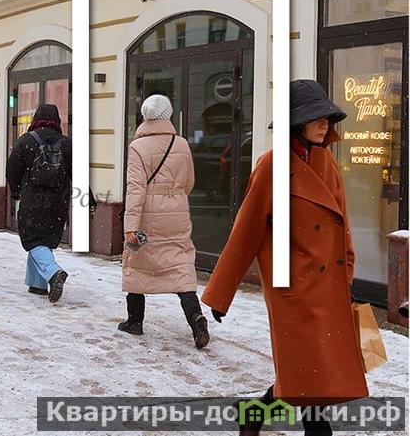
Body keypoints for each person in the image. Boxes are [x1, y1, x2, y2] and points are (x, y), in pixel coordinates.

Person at [202, 80, 367, 435]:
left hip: (327, 288)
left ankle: (254, 412)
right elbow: (245, 233)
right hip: (292, 289)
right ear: (296, 122)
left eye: (327, 117)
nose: (324, 123)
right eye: (315, 117)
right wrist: (220, 294)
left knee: (310, 374)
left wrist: (347, 278)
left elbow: (342, 227)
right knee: (310, 374)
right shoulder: (271, 166)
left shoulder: (327, 162)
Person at [118, 94, 210, 349]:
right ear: (168, 114)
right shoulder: (181, 144)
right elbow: (189, 182)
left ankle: (135, 321)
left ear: (145, 116)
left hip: (147, 214)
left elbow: (135, 189)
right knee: (180, 264)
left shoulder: (138, 147)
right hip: (177, 212)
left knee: (136, 262)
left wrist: (130, 226)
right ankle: (195, 317)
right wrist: (173, 197)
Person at [6, 104, 71, 303]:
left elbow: (12, 170)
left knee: (33, 239)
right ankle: (37, 284)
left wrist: (16, 191)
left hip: (32, 199)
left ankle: (53, 272)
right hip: (58, 202)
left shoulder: (26, 140)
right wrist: (89, 200)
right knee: (44, 239)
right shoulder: (66, 143)